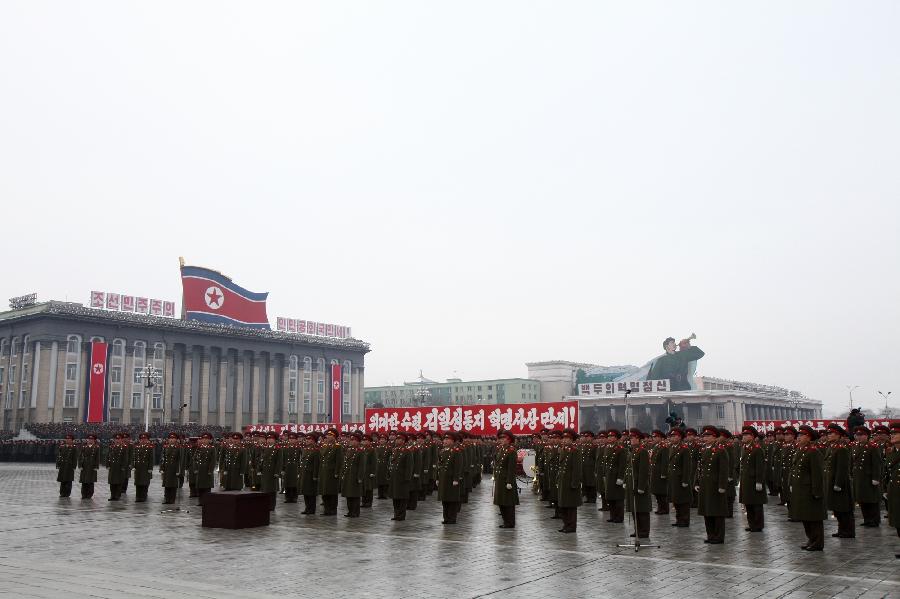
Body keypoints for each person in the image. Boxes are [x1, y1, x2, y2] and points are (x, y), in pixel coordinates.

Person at [790, 425, 826, 551]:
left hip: (810, 489)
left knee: (814, 517)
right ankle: (811, 539)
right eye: (798, 436)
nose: (798, 438)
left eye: (801, 436)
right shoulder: (800, 450)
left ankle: (817, 542)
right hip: (801, 489)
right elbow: (794, 469)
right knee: (805, 516)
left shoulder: (813, 452)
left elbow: (817, 474)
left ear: (808, 437)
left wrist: (817, 491)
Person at [696, 425, 729, 544]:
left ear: (714, 437)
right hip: (705, 485)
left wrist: (722, 486)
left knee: (717, 512)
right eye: (704, 436)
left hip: (715, 485)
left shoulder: (720, 450)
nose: (705, 438)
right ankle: (710, 535)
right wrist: (697, 481)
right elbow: (699, 467)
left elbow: (723, 470)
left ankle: (719, 536)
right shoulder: (704, 449)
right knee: (707, 511)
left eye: (708, 436)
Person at [823, 423, 854, 539]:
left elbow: (842, 468)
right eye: (828, 433)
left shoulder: (841, 449)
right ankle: (842, 529)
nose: (829, 435)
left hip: (839, 483)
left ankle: (848, 531)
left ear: (839, 435)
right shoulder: (832, 447)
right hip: (831, 480)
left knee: (844, 508)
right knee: (837, 508)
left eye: (832, 433)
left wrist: (838, 483)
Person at [852, 426, 884, 527]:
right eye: (858, 435)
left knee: (872, 500)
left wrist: (876, 478)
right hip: (859, 477)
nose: (859, 437)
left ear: (866, 436)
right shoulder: (856, 446)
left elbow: (876, 464)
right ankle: (867, 519)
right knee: (862, 499)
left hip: (868, 477)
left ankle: (874, 520)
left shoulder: (872, 447)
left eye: (862, 435)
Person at [739, 426, 767, 532]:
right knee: (748, 503)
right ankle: (751, 524)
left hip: (754, 481)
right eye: (744, 435)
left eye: (746, 435)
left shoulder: (757, 449)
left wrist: (759, 481)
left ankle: (758, 525)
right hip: (746, 480)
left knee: (756, 504)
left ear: (752, 437)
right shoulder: (745, 448)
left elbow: (760, 467)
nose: (744, 437)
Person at [625, 429, 651, 540]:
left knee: (642, 509)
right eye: (630, 438)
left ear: (638, 439)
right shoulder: (633, 451)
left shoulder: (642, 451)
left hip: (640, 485)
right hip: (632, 483)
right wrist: (627, 481)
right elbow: (629, 468)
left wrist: (641, 486)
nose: (631, 440)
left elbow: (643, 471)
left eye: (633, 438)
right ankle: (637, 530)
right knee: (635, 509)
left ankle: (644, 531)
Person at [556, 428, 582, 533]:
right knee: (563, 505)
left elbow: (577, 469)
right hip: (563, 481)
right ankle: (566, 524)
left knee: (570, 506)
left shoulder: (575, 451)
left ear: (572, 440)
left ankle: (571, 526)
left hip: (570, 482)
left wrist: (575, 483)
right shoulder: (563, 450)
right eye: (564, 438)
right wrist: (558, 480)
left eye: (567, 438)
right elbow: (560, 467)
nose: (565, 440)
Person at [492, 430, 519, 528]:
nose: (502, 440)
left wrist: (509, 481)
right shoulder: (500, 449)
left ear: (509, 440)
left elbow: (511, 468)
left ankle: (510, 522)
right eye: (501, 438)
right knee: (501, 502)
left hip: (506, 480)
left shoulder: (511, 451)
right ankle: (505, 521)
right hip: (500, 479)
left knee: (508, 503)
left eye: (504, 438)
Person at [667, 428, 692, 527]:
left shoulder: (684, 449)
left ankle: (685, 520)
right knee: (676, 500)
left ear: (680, 437)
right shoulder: (672, 448)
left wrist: (685, 480)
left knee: (683, 501)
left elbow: (686, 466)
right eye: (671, 436)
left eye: (674, 436)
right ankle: (679, 519)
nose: (672, 438)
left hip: (680, 478)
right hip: (674, 478)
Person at [437, 432, 464, 524]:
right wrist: (437, 478)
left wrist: (456, 479)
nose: (445, 441)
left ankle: (452, 518)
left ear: (452, 441)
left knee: (452, 499)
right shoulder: (442, 451)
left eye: (447, 439)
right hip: (443, 478)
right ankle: (446, 518)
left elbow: (458, 466)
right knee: (445, 499)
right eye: (444, 439)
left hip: (451, 479)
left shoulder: (456, 451)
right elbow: (439, 466)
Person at [340, 432, 367, 518]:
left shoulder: (360, 452)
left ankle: (355, 512)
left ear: (358, 442)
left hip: (355, 476)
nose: (352, 442)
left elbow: (362, 466)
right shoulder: (349, 450)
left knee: (355, 496)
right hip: (348, 476)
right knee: (349, 494)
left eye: (354, 440)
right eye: (351, 440)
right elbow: (345, 464)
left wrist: (360, 477)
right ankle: (350, 511)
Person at [388, 431, 414, 521]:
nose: (397, 440)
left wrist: (407, 478)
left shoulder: (407, 451)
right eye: (397, 439)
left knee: (402, 498)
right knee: (395, 497)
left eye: (399, 439)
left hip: (402, 479)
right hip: (394, 478)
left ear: (403, 441)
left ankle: (401, 515)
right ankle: (396, 514)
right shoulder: (395, 450)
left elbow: (409, 466)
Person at [317, 428, 343, 516]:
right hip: (324, 472)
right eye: (327, 435)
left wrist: (336, 472)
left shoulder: (338, 447)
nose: (328, 437)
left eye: (330, 435)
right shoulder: (324, 446)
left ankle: (333, 510)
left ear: (334, 437)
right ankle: (326, 509)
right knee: (324, 492)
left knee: (332, 493)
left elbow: (339, 461)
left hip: (332, 473)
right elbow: (321, 459)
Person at [604, 429, 627, 524]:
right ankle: (612, 516)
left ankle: (619, 517)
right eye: (608, 436)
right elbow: (606, 463)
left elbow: (622, 465)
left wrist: (620, 478)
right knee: (611, 498)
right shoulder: (607, 448)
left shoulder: (621, 449)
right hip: (609, 476)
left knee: (618, 499)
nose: (609, 438)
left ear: (616, 438)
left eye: (611, 436)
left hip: (616, 476)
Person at [885, 422, 900, 558]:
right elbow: (888, 472)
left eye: (895, 433)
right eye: (892, 434)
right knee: (898, 521)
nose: (892, 436)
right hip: (895, 490)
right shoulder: (891, 451)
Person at [299, 432, 321, 514]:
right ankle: (307, 508)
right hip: (305, 474)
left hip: (311, 475)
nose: (307, 441)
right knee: (305, 492)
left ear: (314, 441)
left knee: (311, 493)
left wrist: (315, 475)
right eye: (307, 439)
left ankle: (311, 509)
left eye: (309, 439)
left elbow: (316, 464)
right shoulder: (305, 449)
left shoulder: (316, 450)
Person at [649, 430, 669, 515]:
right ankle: (660, 507)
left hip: (660, 473)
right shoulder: (656, 446)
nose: (654, 438)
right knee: (657, 492)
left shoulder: (664, 447)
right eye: (653, 437)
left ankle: (664, 508)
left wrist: (664, 473)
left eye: (655, 437)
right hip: (655, 472)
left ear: (660, 438)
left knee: (662, 493)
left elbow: (665, 461)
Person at [132, 432, 155, 503]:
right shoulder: (137, 447)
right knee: (138, 483)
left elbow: (151, 458)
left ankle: (143, 496)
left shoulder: (150, 447)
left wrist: (150, 468)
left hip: (146, 468)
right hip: (138, 468)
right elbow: (134, 457)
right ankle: (138, 496)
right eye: (141, 439)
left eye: (144, 439)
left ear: (147, 440)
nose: (143, 440)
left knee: (144, 483)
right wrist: (133, 466)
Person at [159, 433, 182, 504]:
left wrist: (178, 470)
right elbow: (163, 459)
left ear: (176, 439)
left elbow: (180, 460)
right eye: (170, 439)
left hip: (174, 469)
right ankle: (167, 499)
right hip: (166, 468)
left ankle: (172, 499)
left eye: (173, 438)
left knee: (173, 485)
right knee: (166, 485)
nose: (171, 440)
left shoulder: (178, 448)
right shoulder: (165, 447)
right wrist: (161, 468)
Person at [281, 432, 302, 504]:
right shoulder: (285, 448)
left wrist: (299, 469)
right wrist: (282, 469)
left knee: (294, 484)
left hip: (295, 467)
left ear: (296, 440)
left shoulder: (299, 448)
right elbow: (283, 459)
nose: (291, 440)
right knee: (287, 483)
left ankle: (294, 497)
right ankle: (288, 497)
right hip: (287, 467)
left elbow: (301, 459)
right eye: (290, 439)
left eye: (293, 439)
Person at [78, 434, 101, 499]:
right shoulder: (84, 447)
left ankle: (89, 494)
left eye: (92, 439)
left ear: (94, 440)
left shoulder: (96, 447)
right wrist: (80, 465)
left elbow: (97, 458)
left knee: (91, 481)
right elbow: (80, 456)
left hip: (92, 465)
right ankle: (83, 494)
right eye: (89, 439)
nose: (90, 440)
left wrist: (96, 466)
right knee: (84, 481)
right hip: (84, 465)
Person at [55, 434, 78, 498]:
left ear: (72, 440)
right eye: (67, 439)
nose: (67, 440)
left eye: (69, 439)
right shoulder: (62, 447)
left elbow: (75, 458)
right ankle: (62, 492)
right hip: (63, 465)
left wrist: (74, 466)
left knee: (68, 480)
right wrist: (58, 464)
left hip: (69, 466)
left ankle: (67, 493)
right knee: (62, 480)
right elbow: (59, 456)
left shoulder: (74, 447)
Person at [579, 431, 598, 504]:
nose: (587, 438)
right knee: (585, 482)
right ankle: (586, 496)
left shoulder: (594, 447)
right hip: (583, 467)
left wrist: (595, 469)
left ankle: (592, 498)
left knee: (591, 483)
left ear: (592, 437)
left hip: (591, 468)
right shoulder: (582, 446)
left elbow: (595, 458)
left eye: (588, 437)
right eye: (585, 437)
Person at [361, 433, 377, 508]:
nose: (364, 442)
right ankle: (363, 501)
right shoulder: (362, 449)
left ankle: (369, 502)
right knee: (363, 487)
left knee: (369, 488)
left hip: (369, 472)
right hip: (363, 472)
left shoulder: (372, 450)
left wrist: (373, 472)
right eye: (363, 440)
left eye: (366, 441)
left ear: (369, 442)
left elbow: (374, 462)